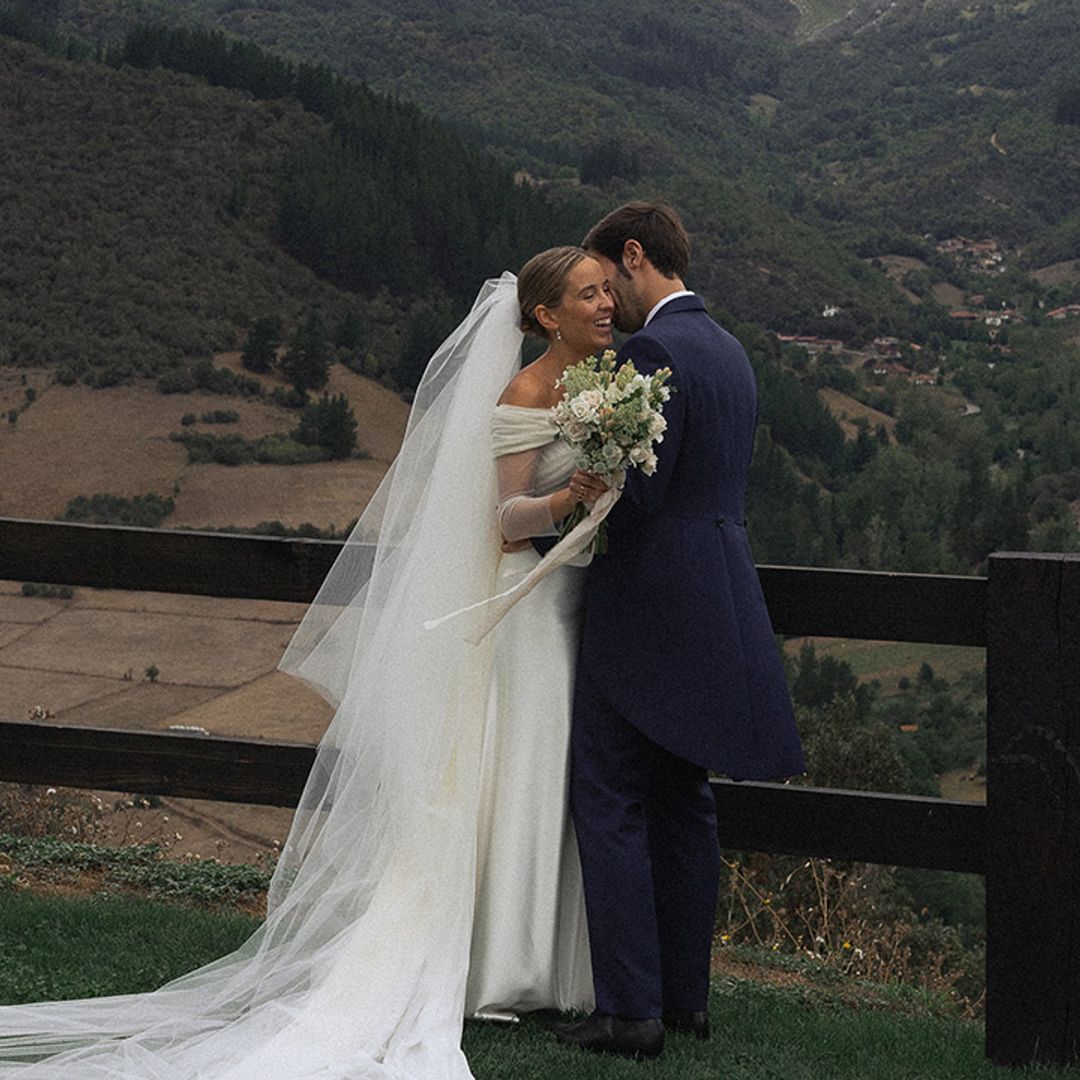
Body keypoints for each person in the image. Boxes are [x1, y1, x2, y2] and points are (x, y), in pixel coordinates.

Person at [0, 251, 610, 1079]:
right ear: (544, 315)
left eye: (606, 290)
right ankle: (501, 966)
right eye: (587, 293)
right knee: (518, 765)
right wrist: (573, 498)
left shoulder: (598, 385)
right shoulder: (526, 394)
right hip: (522, 605)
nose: (605, 303)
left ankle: (544, 959)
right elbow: (507, 518)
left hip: (565, 597)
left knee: (546, 768)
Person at [554, 202, 806, 1061]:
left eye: (605, 280)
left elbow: (640, 497)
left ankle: (630, 1012)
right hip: (716, 602)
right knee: (683, 800)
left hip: (645, 606)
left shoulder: (651, 353)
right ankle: (686, 1001)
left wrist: (565, 519)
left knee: (611, 797)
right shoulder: (730, 350)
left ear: (634, 256)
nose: (606, 303)